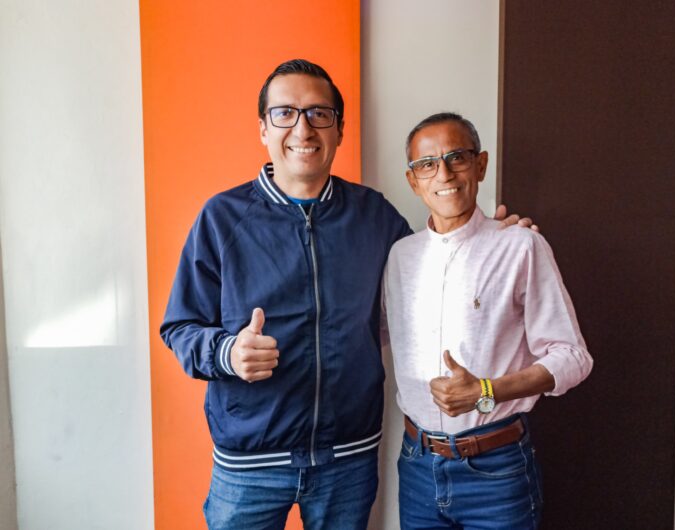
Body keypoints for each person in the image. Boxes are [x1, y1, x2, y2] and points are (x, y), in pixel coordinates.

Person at [161, 59, 530, 530]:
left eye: (319, 113)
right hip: (250, 462)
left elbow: (436, 268)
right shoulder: (221, 217)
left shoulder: (375, 216)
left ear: (339, 129)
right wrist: (228, 352)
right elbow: (180, 326)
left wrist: (491, 239)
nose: (303, 128)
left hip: (348, 459)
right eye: (285, 113)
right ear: (263, 128)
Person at [383, 112, 593, 530]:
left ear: (480, 165)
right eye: (427, 164)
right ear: (413, 180)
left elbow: (573, 357)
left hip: (497, 470)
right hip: (417, 466)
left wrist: (486, 390)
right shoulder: (400, 256)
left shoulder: (520, 246)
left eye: (457, 158)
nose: (444, 173)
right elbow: (374, 334)